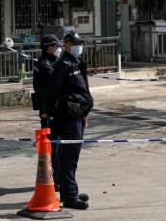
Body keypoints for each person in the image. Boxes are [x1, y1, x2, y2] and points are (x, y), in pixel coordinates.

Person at [41, 32, 93, 210]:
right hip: (69, 115)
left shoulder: (76, 62)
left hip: (78, 114)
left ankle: (68, 191)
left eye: (81, 43)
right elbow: (52, 90)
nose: (80, 46)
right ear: (68, 44)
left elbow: (82, 90)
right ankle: (70, 196)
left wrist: (85, 113)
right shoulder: (63, 64)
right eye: (77, 43)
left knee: (71, 156)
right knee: (69, 156)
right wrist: (46, 112)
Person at [33, 34, 62, 191]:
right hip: (49, 112)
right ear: (48, 48)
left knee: (54, 146)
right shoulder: (45, 65)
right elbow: (55, 86)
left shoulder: (48, 62)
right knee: (54, 147)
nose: (58, 49)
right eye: (55, 46)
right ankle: (55, 180)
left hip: (49, 110)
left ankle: (53, 177)